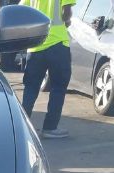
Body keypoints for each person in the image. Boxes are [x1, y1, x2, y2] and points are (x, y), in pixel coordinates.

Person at [19, 0, 76, 139]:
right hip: (57, 43)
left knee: (30, 88)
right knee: (58, 87)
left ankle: (21, 126)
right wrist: (67, 21)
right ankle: (50, 128)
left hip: (35, 45)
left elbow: (21, 12)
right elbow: (66, 13)